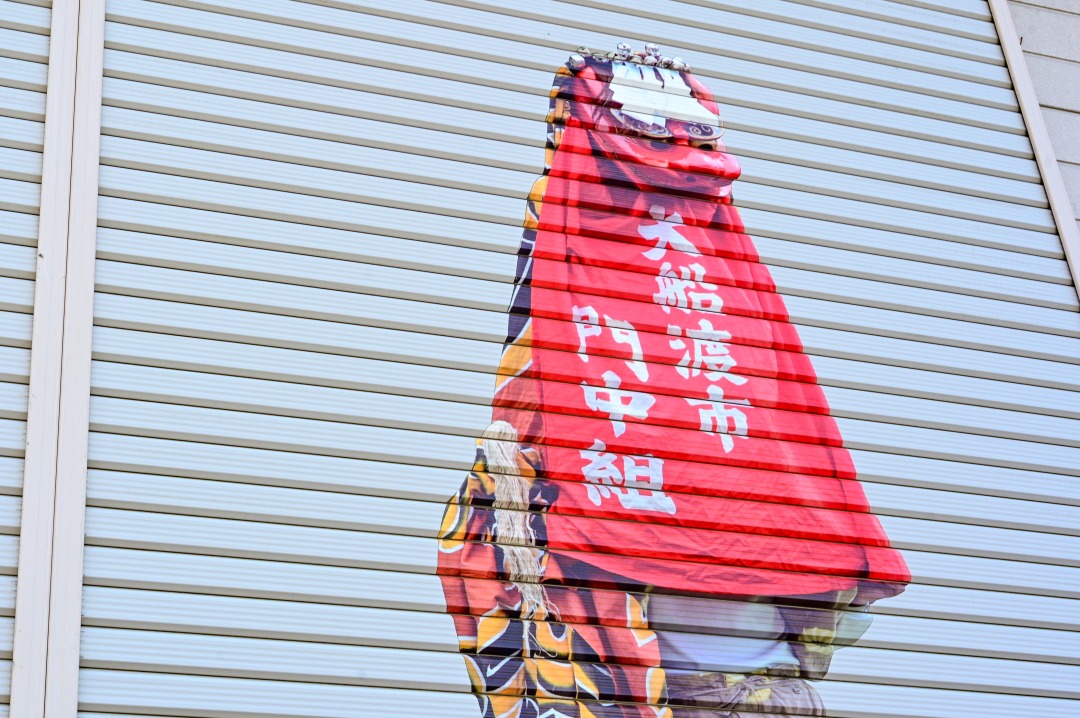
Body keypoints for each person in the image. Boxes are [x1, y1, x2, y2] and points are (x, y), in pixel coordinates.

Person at [437, 43, 910, 718]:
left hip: (748, 681)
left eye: (696, 138)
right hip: (699, 684)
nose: (681, 154)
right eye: (661, 136)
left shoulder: (711, 291)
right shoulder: (608, 280)